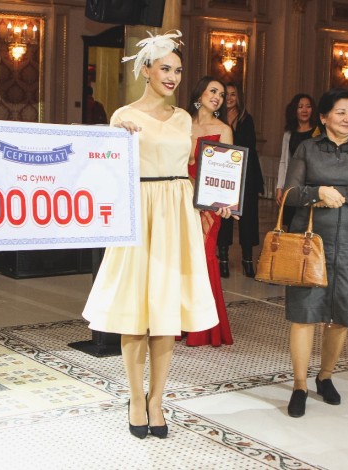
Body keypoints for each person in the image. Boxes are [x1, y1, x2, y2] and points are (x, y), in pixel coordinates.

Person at [82, 31, 218, 439]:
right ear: (146, 70)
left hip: (176, 212)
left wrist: (212, 202)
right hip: (138, 212)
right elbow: (105, 169)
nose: (172, 76)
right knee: (135, 311)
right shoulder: (123, 116)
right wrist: (116, 139)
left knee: (165, 313)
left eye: (177, 70)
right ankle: (135, 398)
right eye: (165, 69)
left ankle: (156, 399)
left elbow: (194, 169)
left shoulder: (184, 118)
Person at [282, 89, 348, 418]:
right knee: (304, 313)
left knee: (341, 313)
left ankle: (325, 377)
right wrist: (317, 193)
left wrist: (338, 193)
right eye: (341, 112)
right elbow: (290, 192)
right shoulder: (307, 148)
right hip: (309, 242)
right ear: (324, 117)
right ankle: (300, 385)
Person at [184, 75, 234, 347]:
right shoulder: (181, 124)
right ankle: (180, 322)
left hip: (208, 206)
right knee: (182, 259)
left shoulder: (224, 129)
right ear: (199, 93)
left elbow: (227, 173)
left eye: (222, 94)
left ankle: (204, 328)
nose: (218, 97)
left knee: (203, 257)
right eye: (213, 91)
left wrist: (227, 205)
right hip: (179, 200)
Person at [216, 82, 264, 278]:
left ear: (239, 97)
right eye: (225, 94)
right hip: (224, 174)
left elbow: (250, 148)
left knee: (248, 220)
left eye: (233, 94)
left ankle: (247, 260)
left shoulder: (246, 118)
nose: (229, 98)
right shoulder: (216, 117)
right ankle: (223, 260)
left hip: (247, 175)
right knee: (224, 218)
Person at [276, 93, 320, 229]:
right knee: (291, 224)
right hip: (293, 185)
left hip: (312, 184)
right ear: (294, 110)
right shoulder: (289, 133)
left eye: (308, 106)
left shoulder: (318, 132)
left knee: (310, 224)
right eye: (300, 107)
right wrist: (280, 187)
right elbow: (284, 161)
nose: (304, 110)